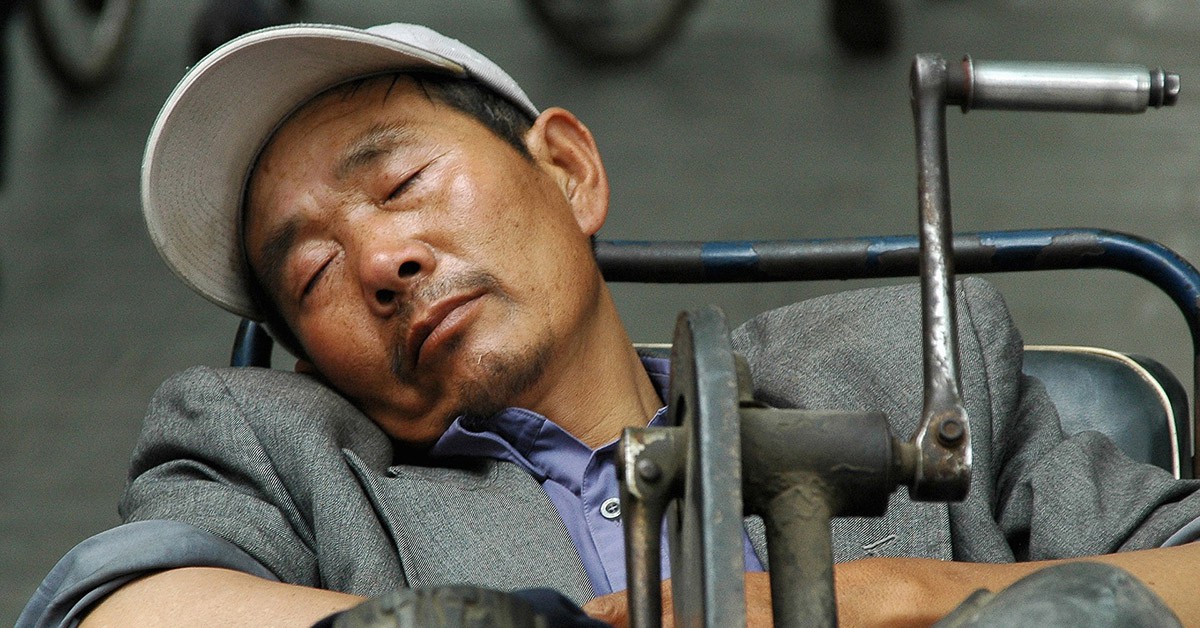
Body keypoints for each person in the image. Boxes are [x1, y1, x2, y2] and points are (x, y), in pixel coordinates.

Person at [18, 22, 1200, 627]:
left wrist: (916, 599)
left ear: (571, 170)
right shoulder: (282, 452)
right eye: (313, 270)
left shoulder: (910, 368)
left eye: (400, 185)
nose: (381, 260)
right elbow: (113, 608)